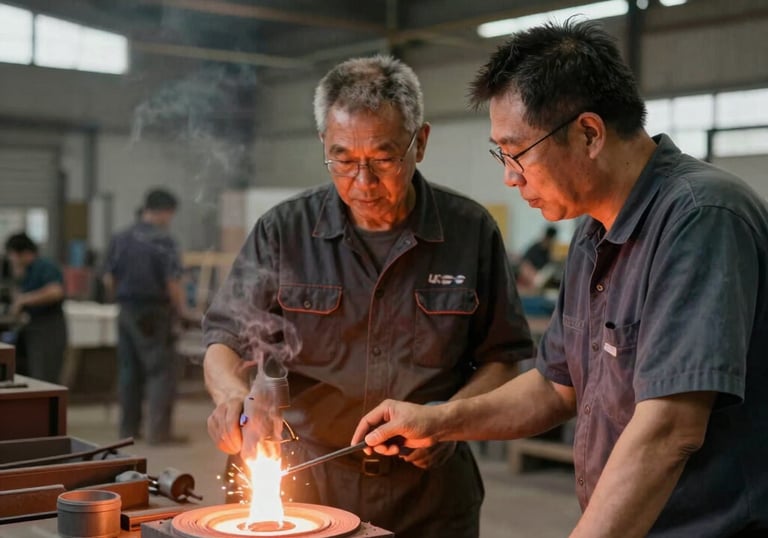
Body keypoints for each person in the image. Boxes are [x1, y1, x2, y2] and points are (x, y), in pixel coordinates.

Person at [352, 19, 768, 538]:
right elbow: (555, 388)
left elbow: (670, 430)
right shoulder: (594, 235)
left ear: (589, 133)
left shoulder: (700, 217)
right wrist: (438, 420)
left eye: (516, 151)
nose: (509, 174)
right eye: (500, 153)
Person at [202, 55, 534, 537]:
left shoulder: (470, 231)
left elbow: (503, 358)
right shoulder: (285, 231)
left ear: (419, 143)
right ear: (324, 143)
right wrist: (232, 396)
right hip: (308, 481)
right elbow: (224, 337)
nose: (362, 183)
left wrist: (445, 421)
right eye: (343, 159)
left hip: (431, 496)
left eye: (382, 160)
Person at [103, 188, 188, 445]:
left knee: (129, 370)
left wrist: (121, 300)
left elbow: (109, 277)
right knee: (161, 370)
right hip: (154, 313)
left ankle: (128, 431)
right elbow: (173, 282)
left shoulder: (121, 238)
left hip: (126, 310)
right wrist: (182, 311)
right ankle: (159, 433)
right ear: (164, 211)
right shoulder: (163, 241)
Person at [4, 232, 67, 383]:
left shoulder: (45, 267)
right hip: (31, 328)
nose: (11, 260)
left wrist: (24, 300)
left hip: (48, 329)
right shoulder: (25, 272)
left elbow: (56, 291)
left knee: (44, 377)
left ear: (25, 253)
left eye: (12, 255)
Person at [516, 225, 557, 289]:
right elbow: (524, 265)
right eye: (550, 241)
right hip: (531, 277)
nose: (551, 243)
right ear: (546, 238)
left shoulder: (547, 252)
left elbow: (548, 267)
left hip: (538, 278)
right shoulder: (534, 249)